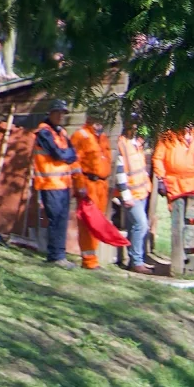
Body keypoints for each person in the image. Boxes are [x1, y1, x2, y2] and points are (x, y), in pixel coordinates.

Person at [31, 98, 80, 267]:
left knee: (62, 220)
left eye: (63, 113)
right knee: (56, 220)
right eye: (58, 112)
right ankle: (56, 256)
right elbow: (58, 154)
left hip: (63, 184)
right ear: (50, 113)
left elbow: (73, 153)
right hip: (50, 183)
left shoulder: (62, 132)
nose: (60, 116)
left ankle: (60, 254)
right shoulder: (43, 132)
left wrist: (66, 154)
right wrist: (66, 155)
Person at [70, 112, 112, 269]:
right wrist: (80, 185)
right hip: (88, 184)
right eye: (96, 119)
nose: (99, 123)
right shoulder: (80, 136)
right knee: (88, 223)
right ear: (89, 119)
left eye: (101, 120)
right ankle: (88, 261)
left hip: (101, 186)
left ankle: (93, 257)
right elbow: (74, 163)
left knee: (98, 222)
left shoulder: (102, 137)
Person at [114, 120, 152, 272]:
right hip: (131, 194)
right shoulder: (121, 144)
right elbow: (119, 171)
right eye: (132, 125)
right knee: (141, 225)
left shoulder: (138, 143)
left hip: (142, 191)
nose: (134, 128)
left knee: (133, 227)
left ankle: (132, 260)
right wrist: (125, 195)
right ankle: (137, 262)